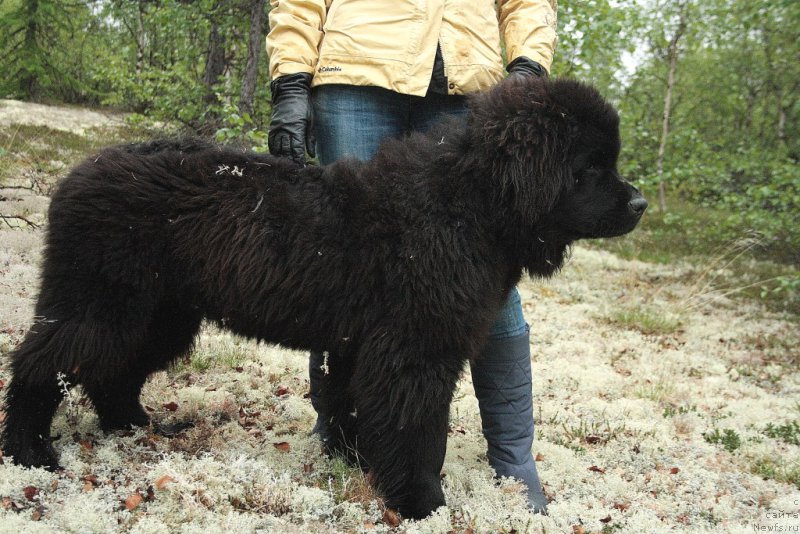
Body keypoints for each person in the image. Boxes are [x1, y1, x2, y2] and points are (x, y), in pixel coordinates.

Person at [266, 0, 557, 514]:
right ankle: (340, 430)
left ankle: (513, 458)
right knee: (343, 270)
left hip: (468, 84)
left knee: (486, 280)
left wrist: (528, 69)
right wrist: (291, 82)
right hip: (354, 75)